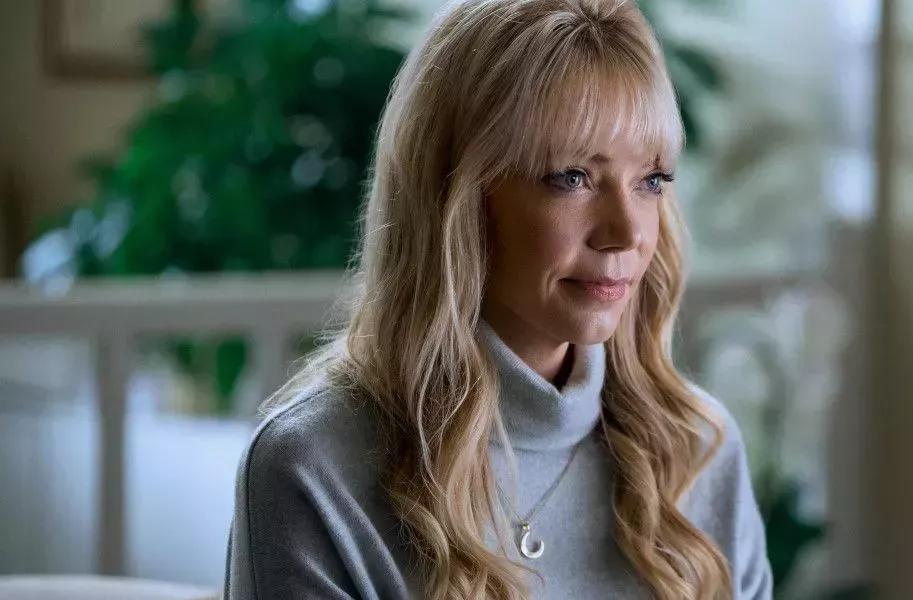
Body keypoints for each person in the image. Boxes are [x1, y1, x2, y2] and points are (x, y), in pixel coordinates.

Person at [223, 0, 772, 598]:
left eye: (651, 180)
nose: (627, 233)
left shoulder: (699, 453)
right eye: (572, 177)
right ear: (454, 194)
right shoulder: (315, 470)